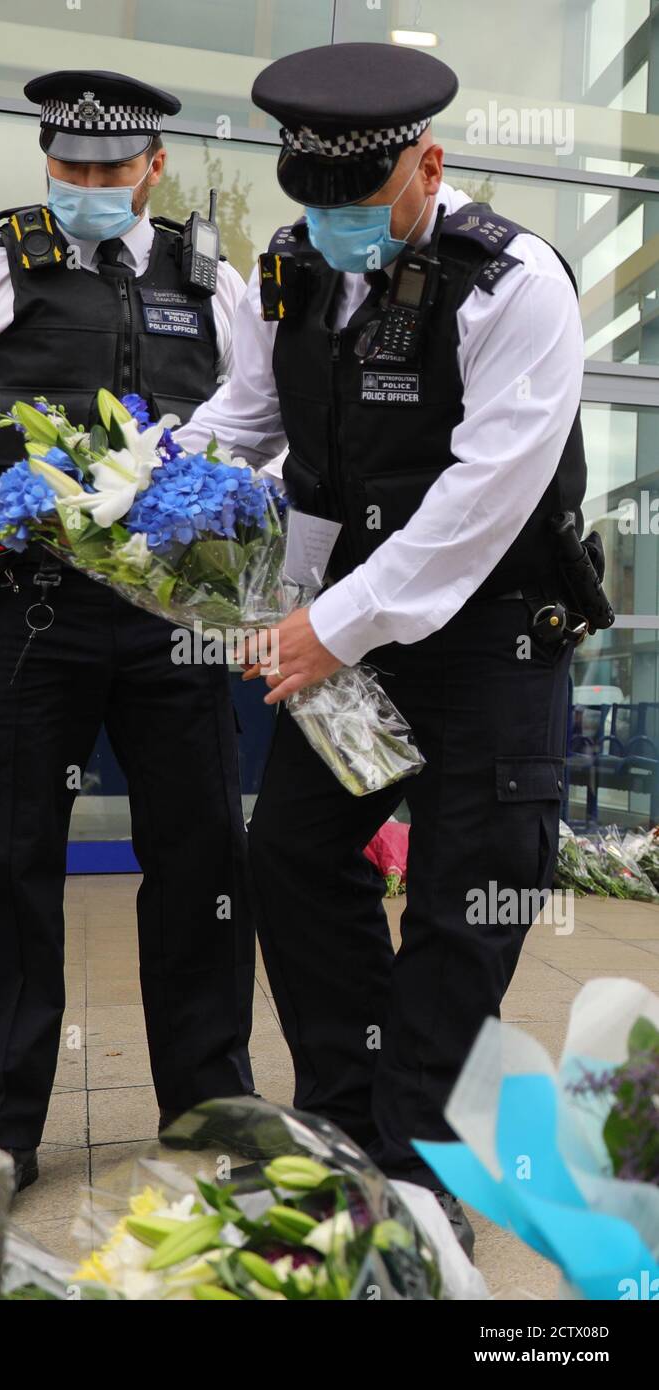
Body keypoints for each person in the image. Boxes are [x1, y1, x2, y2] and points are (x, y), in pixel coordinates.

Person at [176, 42, 587, 1253]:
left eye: (358, 206)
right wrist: (150, 485)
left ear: (428, 164)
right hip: (355, 637)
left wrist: (324, 625)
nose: (333, 227)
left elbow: (476, 506)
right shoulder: (293, 269)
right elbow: (250, 416)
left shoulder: (516, 285)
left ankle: (413, 1171)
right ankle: (344, 1123)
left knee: (468, 904)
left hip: (493, 643)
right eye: (314, 204)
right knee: (294, 857)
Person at [0, 71, 256, 1194]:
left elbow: (260, 435)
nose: (85, 188)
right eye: (67, 168)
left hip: (175, 621)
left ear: (153, 168)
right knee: (6, 864)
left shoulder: (214, 285)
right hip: (21, 619)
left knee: (202, 861)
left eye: (108, 171)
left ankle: (210, 1103)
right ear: (45, 160)